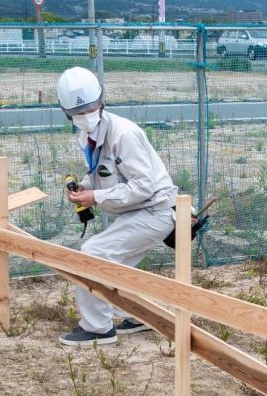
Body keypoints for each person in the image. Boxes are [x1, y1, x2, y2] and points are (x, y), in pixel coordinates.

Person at [55, 66, 176, 346]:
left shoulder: (124, 134)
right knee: (117, 263)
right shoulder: (89, 135)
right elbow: (104, 173)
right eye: (78, 112)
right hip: (139, 211)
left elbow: (144, 186)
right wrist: (86, 187)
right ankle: (136, 315)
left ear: (101, 102)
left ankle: (98, 328)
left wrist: (95, 198)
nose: (85, 115)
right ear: (67, 114)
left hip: (156, 210)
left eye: (89, 108)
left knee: (92, 254)